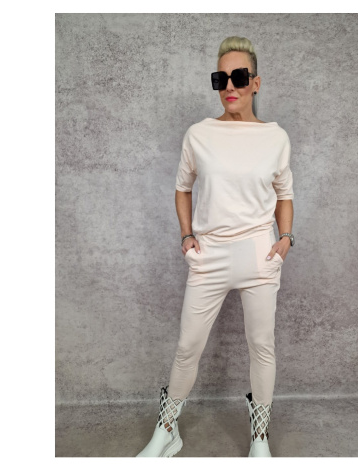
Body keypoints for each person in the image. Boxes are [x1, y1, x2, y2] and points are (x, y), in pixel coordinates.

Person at [136, 36, 295, 458]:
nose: (230, 86)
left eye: (239, 77)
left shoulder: (276, 137)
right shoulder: (199, 134)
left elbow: (285, 194)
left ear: (256, 82)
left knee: (262, 346)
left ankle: (259, 437)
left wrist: (285, 238)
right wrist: (187, 235)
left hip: (259, 254)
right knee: (188, 347)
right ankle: (166, 430)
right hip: (209, 255)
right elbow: (182, 187)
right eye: (220, 78)